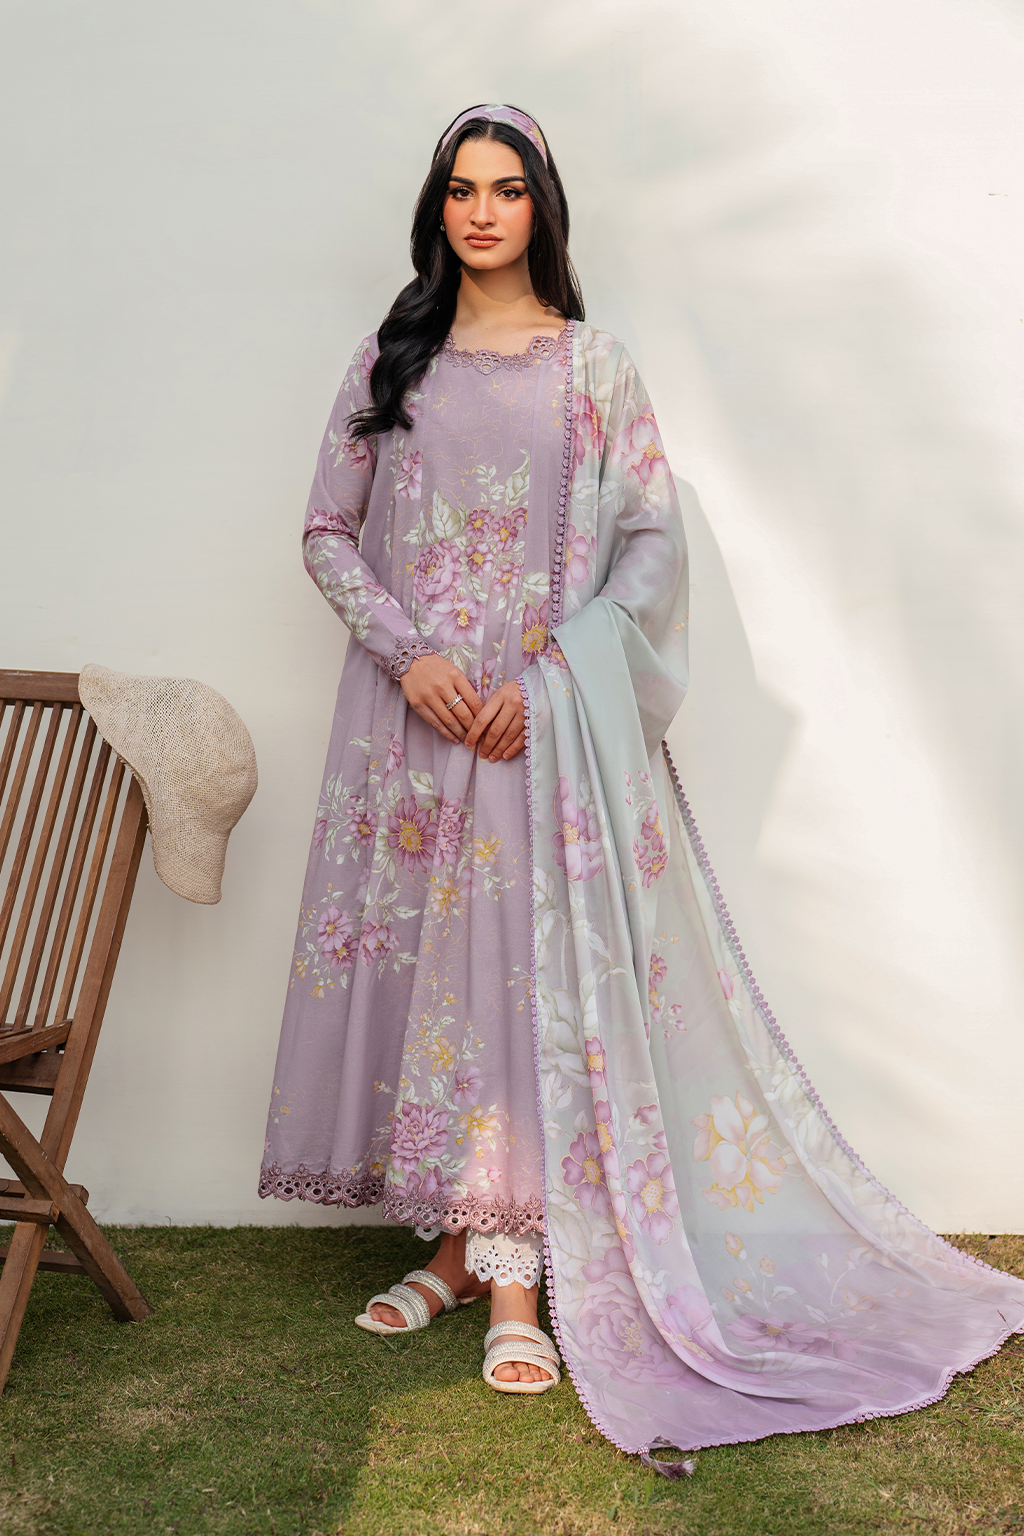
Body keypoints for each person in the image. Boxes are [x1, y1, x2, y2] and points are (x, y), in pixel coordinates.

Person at [261, 104, 1024, 1449]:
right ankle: (460, 1248)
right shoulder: (395, 359)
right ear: (436, 210)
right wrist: (408, 655)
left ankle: (513, 1283)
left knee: (520, 979)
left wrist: (554, 673)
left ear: (542, 207)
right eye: (460, 191)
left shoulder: (595, 369)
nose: (482, 213)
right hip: (420, 728)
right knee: (444, 978)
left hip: (540, 728)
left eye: (506, 190)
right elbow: (328, 530)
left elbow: (652, 551)